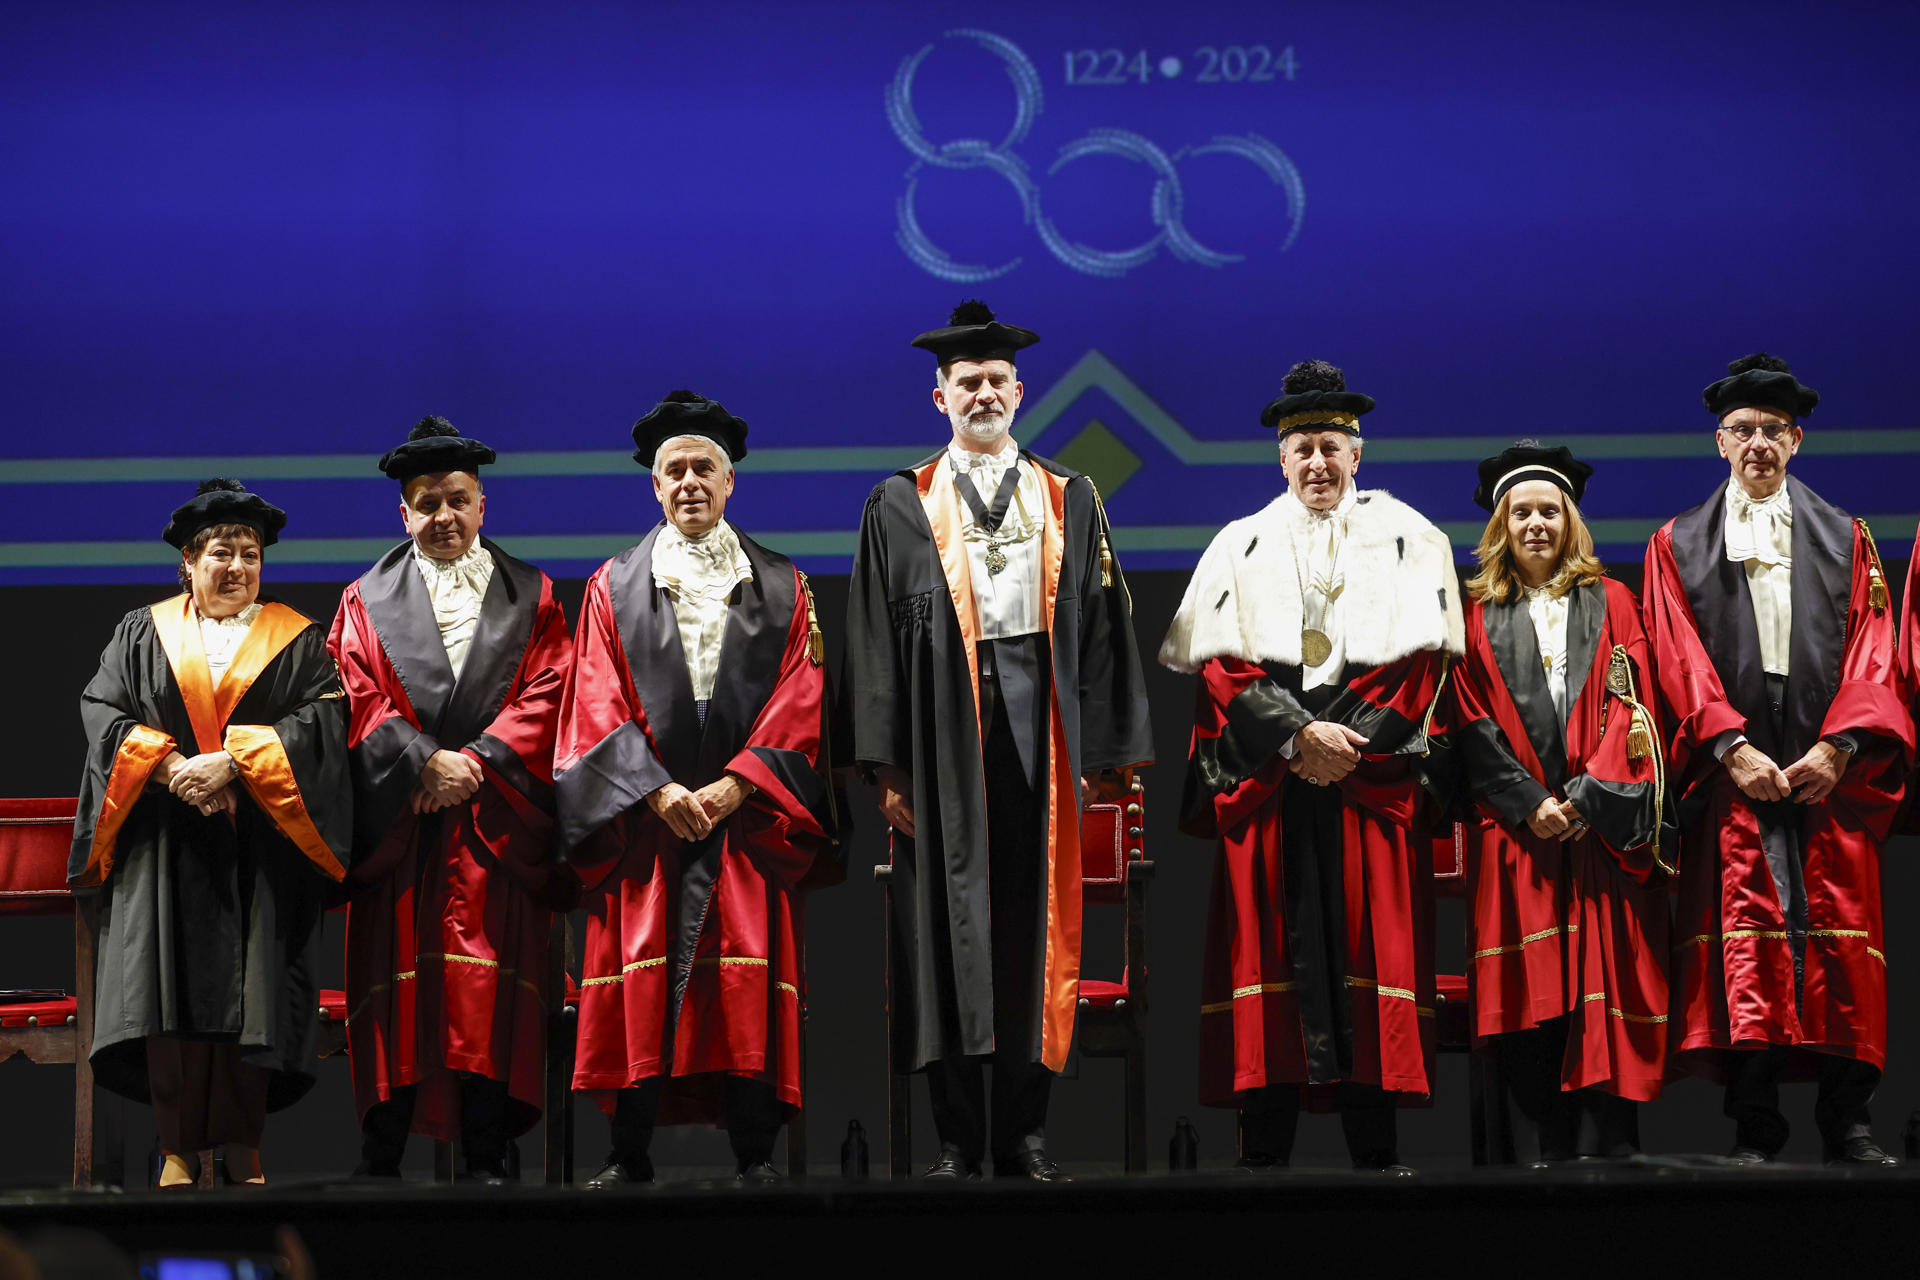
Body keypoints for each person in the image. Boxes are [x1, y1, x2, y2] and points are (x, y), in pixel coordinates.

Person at [846, 300, 1152, 1181]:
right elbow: (870, 640)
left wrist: (1103, 758)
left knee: (1031, 934)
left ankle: (1025, 1132)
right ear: (937, 397)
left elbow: (1102, 631)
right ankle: (954, 1138)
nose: (981, 392)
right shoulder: (899, 503)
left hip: (1041, 733)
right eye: (964, 382)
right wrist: (887, 767)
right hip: (941, 740)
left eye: (994, 380)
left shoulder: (1072, 495)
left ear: (1020, 391)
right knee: (945, 939)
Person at [1158, 359, 1459, 1173]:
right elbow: (1220, 664)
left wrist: (1339, 745)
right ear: (1280, 459)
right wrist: (1296, 739)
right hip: (1273, 786)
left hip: (1367, 788)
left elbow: (1420, 666)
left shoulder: (1411, 541)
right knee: (1270, 973)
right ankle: (1264, 1165)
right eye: (1304, 449)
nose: (1319, 463)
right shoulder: (1239, 545)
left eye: (1333, 446)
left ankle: (1378, 1160)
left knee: (1371, 961)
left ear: (1358, 455)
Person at [555, 391, 840, 1185]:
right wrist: (653, 791)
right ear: (654, 486)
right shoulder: (611, 587)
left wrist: (736, 787)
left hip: (743, 822)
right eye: (673, 470)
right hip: (649, 826)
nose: (689, 482)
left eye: (703, 468)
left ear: (730, 481)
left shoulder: (784, 584)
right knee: (641, 981)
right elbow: (594, 699)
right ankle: (628, 1151)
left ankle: (754, 1153)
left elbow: (802, 700)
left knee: (743, 979)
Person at [1642, 353, 1910, 1165]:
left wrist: (1843, 744)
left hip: (1826, 754)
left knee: (1838, 933)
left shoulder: (1847, 535)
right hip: (1738, 760)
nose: (1758, 444)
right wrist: (1728, 746)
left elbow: (1875, 647)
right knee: (1748, 936)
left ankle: (1848, 1120)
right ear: (1719, 442)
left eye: (1774, 431)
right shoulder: (1677, 542)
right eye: (1743, 430)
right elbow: (1675, 653)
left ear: (1797, 441)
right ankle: (1756, 1124)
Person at [69, 479, 349, 1188]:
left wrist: (236, 764)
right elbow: (102, 710)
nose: (237, 568)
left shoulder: (296, 639)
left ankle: (242, 1145)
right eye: (221, 552)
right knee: (166, 996)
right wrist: (168, 769)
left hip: (259, 848)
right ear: (187, 562)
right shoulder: (141, 632)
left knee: (249, 998)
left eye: (250, 555)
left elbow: (324, 721)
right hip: (163, 846)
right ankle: (175, 1148)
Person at [328, 416, 575, 1182]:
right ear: (403, 514)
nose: (443, 517)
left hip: (494, 827)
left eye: (457, 501)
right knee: (406, 994)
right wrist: (421, 763)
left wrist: (476, 763)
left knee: (487, 994)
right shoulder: (364, 600)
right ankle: (382, 1155)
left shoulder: (533, 594)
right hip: (407, 833)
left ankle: (489, 1150)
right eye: (426, 503)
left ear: (482, 505)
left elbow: (552, 690)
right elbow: (352, 696)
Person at [1449, 442, 1670, 1162]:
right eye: (1522, 513)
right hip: (1518, 837)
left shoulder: (1613, 600)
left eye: (1550, 510)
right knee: (1530, 992)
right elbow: (1469, 718)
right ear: (1501, 526)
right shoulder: (1474, 612)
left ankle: (1614, 1143)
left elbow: (1632, 709)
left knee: (1600, 987)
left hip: (1595, 830)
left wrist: (1583, 798)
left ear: (1570, 521)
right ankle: (1540, 1146)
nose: (1536, 523)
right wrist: (1528, 802)